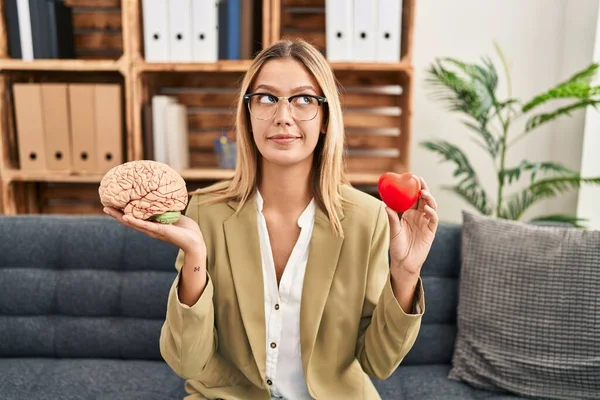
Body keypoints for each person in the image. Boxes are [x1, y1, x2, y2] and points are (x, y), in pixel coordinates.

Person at [104, 38, 438, 400]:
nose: (283, 116)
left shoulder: (368, 219)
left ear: (325, 118)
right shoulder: (203, 211)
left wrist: (405, 274)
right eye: (266, 98)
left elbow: (378, 363)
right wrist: (196, 261)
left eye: (304, 99)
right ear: (247, 115)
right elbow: (187, 363)